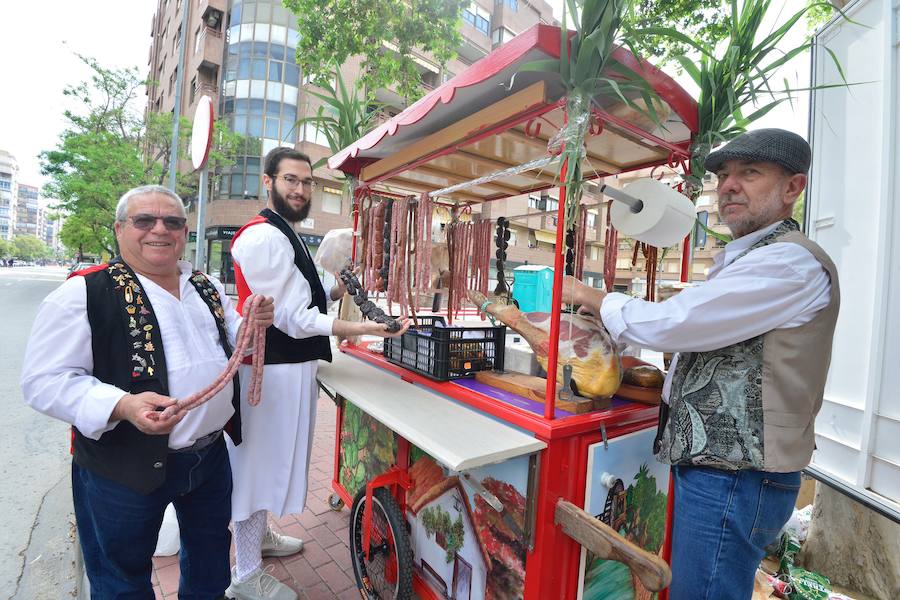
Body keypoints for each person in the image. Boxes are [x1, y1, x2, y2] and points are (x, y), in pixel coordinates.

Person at [561, 129, 839, 600]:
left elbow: (678, 322)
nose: (729, 185)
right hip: (721, 472)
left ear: (793, 187)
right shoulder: (755, 258)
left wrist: (590, 295)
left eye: (749, 173)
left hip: (736, 477)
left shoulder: (789, 263)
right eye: (724, 175)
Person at [21, 185, 274, 599]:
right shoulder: (84, 292)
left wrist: (255, 319)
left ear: (184, 232)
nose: (160, 230)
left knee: (211, 568)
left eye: (172, 222)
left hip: (209, 458)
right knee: (121, 581)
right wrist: (122, 404)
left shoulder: (205, 285)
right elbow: (43, 381)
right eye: (144, 220)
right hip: (122, 467)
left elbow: (235, 341)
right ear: (120, 229)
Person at [225, 148, 408, 600]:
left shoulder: (285, 233)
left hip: (289, 369)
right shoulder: (264, 237)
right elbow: (291, 316)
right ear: (267, 182)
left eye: (307, 182)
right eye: (291, 180)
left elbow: (308, 295)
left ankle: (260, 541)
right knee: (256, 470)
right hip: (269, 373)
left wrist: (343, 283)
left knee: (267, 466)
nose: (301, 189)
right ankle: (244, 575)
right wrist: (360, 326)